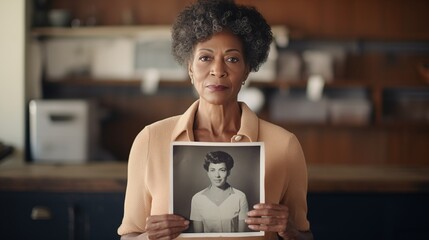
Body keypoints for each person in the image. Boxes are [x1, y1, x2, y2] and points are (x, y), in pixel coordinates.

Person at [118, 0, 313, 239]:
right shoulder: (150, 140)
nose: (218, 70)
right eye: (205, 58)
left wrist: (288, 229)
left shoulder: (285, 145)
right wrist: (150, 236)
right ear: (190, 68)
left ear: (247, 70)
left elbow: (305, 236)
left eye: (232, 59)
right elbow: (128, 236)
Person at [190, 151, 249, 233]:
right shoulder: (197, 198)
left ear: (228, 172)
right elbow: (198, 236)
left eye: (222, 170)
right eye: (212, 170)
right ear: (208, 173)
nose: (217, 175)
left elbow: (242, 236)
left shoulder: (240, 197)